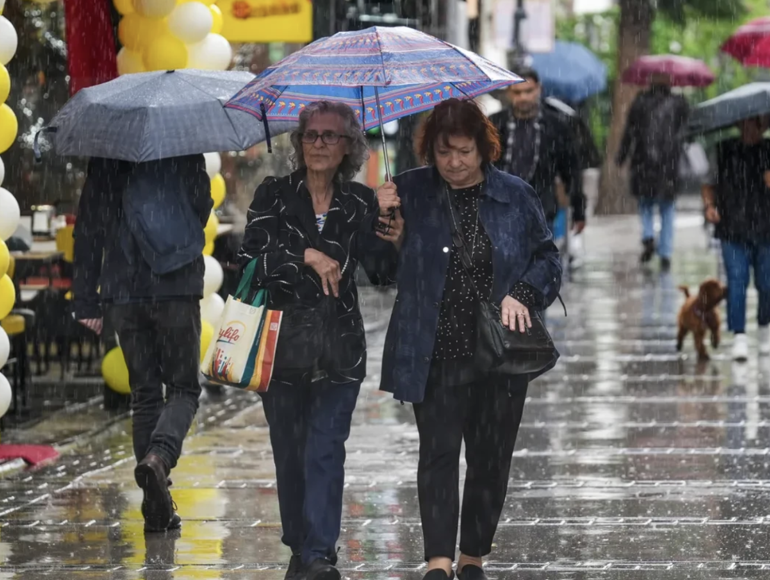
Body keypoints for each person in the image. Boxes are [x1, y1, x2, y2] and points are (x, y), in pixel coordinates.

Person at [378, 99, 562, 580]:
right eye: (443, 152)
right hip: (433, 347)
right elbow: (378, 272)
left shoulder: (516, 195)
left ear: (484, 148)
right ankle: (438, 559)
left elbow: (548, 259)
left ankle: (472, 555)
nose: (454, 162)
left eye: (463, 151)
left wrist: (522, 293)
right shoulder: (409, 191)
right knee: (437, 452)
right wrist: (387, 232)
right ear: (430, 151)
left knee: (490, 457)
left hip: (499, 352)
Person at [237, 101, 401, 580]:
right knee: (290, 452)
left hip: (339, 350)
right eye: (311, 135)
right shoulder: (273, 194)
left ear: (349, 145)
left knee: (325, 448)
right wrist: (305, 254)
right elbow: (250, 256)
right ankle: (300, 544)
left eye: (331, 136)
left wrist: (392, 228)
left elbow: (384, 275)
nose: (319, 144)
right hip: (281, 346)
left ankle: (319, 554)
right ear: (299, 142)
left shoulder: (361, 201)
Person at [73, 155, 212, 532]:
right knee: (183, 388)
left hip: (123, 289)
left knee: (145, 394)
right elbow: (202, 204)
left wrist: (85, 296)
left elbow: (88, 226)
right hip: (177, 284)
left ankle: (157, 503)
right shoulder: (181, 142)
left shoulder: (107, 153)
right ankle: (159, 458)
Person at [702, 115, 770, 361]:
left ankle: (765, 327)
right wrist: (709, 206)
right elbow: (707, 183)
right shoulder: (723, 150)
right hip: (732, 228)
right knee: (737, 280)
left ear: (763, 126)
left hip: (767, 229)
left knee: (767, 283)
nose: (749, 129)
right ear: (738, 124)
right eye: (744, 123)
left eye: (755, 124)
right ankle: (739, 336)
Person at [489, 67, 585, 234]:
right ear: (509, 93)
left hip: (541, 208)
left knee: (539, 258)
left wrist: (579, 210)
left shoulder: (556, 125)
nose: (523, 97)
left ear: (538, 89)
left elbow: (571, 169)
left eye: (528, 91)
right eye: (517, 92)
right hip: (500, 208)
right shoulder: (495, 124)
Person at [616, 73, 690, 270]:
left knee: (646, 204)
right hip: (669, 164)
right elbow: (688, 131)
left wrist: (622, 156)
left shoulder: (640, 102)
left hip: (643, 163)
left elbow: (629, 132)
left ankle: (648, 235)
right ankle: (665, 252)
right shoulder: (679, 103)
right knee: (667, 208)